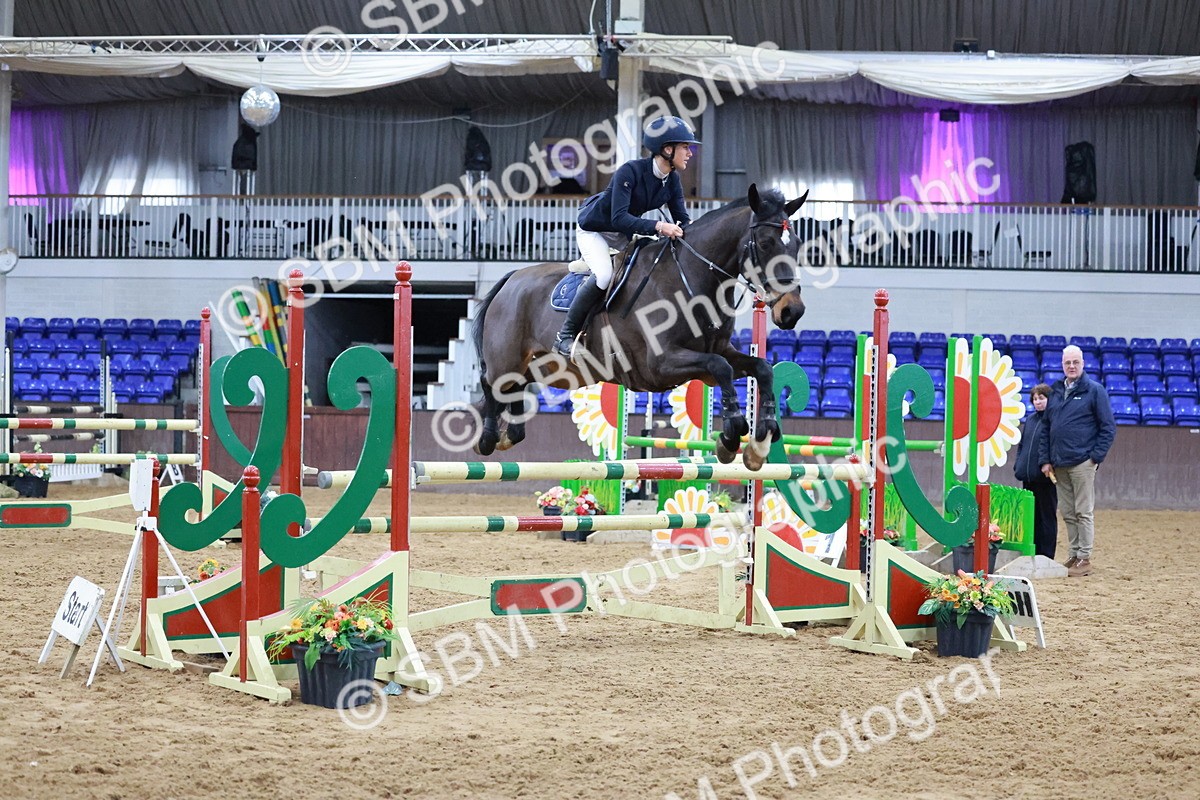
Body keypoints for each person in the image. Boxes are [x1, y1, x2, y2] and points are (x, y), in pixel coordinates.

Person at [553, 115, 700, 356]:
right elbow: (619, 218)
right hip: (596, 230)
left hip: (623, 235)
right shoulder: (630, 171)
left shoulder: (672, 180)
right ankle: (565, 336)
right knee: (603, 276)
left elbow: (683, 219)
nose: (690, 153)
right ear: (667, 149)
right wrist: (660, 227)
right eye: (685, 147)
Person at [1037, 345, 1116, 577]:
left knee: (1083, 511)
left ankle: (1085, 557)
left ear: (1083, 363)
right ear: (1062, 365)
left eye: (1075, 362)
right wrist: (1046, 459)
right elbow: (1046, 428)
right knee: (1068, 512)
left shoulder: (1094, 391)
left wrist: (1095, 458)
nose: (1071, 366)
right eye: (1067, 363)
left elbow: (1108, 428)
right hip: (1059, 464)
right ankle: (1073, 554)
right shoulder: (1056, 391)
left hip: (1083, 463)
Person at [1013, 383, 1058, 559]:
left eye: (1042, 398)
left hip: (1045, 478)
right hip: (1028, 476)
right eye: (1035, 399)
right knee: (1031, 517)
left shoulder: (1054, 419)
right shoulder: (1030, 420)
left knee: (1046, 516)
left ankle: (1046, 554)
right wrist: (1019, 465)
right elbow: (1022, 445)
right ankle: (1033, 549)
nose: (1038, 402)